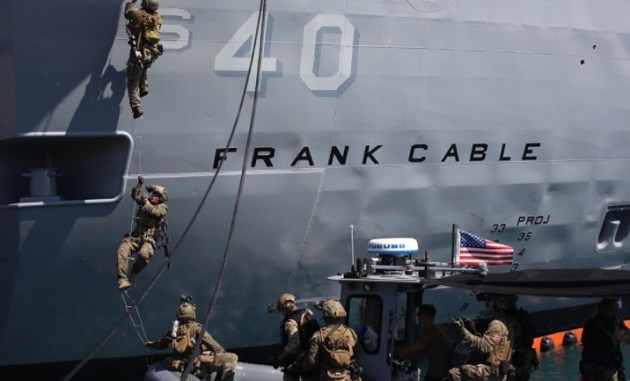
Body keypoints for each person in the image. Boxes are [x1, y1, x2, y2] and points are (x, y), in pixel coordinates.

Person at [145, 296, 238, 381]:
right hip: (196, 366)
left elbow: (161, 344)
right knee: (232, 357)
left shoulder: (174, 330)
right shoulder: (197, 329)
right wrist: (216, 355)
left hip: (181, 365)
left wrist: (151, 344)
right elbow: (216, 348)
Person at [116, 176, 168, 291]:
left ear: (161, 199)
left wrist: (145, 202)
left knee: (144, 254)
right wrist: (139, 184)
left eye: (157, 195)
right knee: (122, 250)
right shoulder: (146, 201)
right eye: (153, 194)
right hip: (135, 238)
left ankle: (134, 274)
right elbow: (135, 195)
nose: (153, 196)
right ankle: (122, 279)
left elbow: (155, 212)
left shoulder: (163, 208)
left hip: (149, 240)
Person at [302, 298, 361, 381]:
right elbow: (357, 353)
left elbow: (311, 361)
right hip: (346, 377)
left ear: (326, 315)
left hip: (327, 377)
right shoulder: (351, 333)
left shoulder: (319, 335)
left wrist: (301, 367)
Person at [124, 0, 163, 119]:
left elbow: (127, 13)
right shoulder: (158, 18)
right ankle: (144, 86)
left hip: (139, 52)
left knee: (133, 82)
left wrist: (132, 2)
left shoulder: (137, 14)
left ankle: (136, 107)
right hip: (152, 53)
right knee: (144, 67)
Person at [395, 304, 453, 381]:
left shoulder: (431, 330)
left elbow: (414, 349)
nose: (418, 317)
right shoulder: (441, 328)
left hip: (437, 374)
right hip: (446, 372)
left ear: (426, 316)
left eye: (419, 314)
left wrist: (394, 352)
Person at [272, 293, 320, 381]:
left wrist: (279, 358)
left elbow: (293, 345)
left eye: (284, 310)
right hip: (311, 358)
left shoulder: (290, 322)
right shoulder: (308, 312)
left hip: (295, 361)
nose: (283, 313)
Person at [580, 298, 630, 381]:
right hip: (607, 370)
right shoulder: (613, 324)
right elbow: (627, 338)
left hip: (589, 369)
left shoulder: (590, 323)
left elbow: (584, 341)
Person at [447, 317, 512, 381]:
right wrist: (471, 329)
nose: (487, 306)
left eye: (488, 305)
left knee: (454, 374)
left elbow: (485, 346)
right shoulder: (497, 324)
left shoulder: (497, 325)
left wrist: (462, 330)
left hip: (493, 372)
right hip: (491, 369)